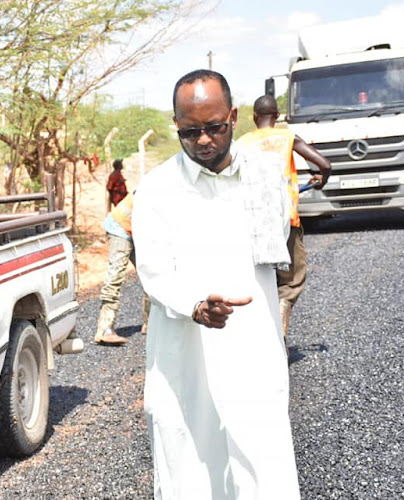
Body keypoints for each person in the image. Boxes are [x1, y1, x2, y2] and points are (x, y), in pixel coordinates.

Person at [132, 69, 300, 499]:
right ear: (176, 127)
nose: (203, 140)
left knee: (263, 467)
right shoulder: (156, 189)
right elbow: (152, 269)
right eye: (190, 132)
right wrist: (195, 304)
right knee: (190, 465)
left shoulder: (264, 176)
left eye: (214, 128)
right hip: (187, 351)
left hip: (253, 345)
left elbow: (275, 245)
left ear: (234, 118)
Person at [238, 95, 331, 342]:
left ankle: (259, 336)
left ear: (255, 117)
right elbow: (325, 164)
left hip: (253, 223)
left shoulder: (242, 143)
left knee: (261, 279)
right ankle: (279, 328)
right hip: (286, 220)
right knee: (291, 282)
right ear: (277, 116)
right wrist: (321, 179)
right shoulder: (288, 137)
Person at [94, 192, 150, 346]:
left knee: (151, 274)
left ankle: (150, 323)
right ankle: (104, 329)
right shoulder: (156, 186)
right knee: (116, 276)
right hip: (120, 227)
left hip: (137, 231)